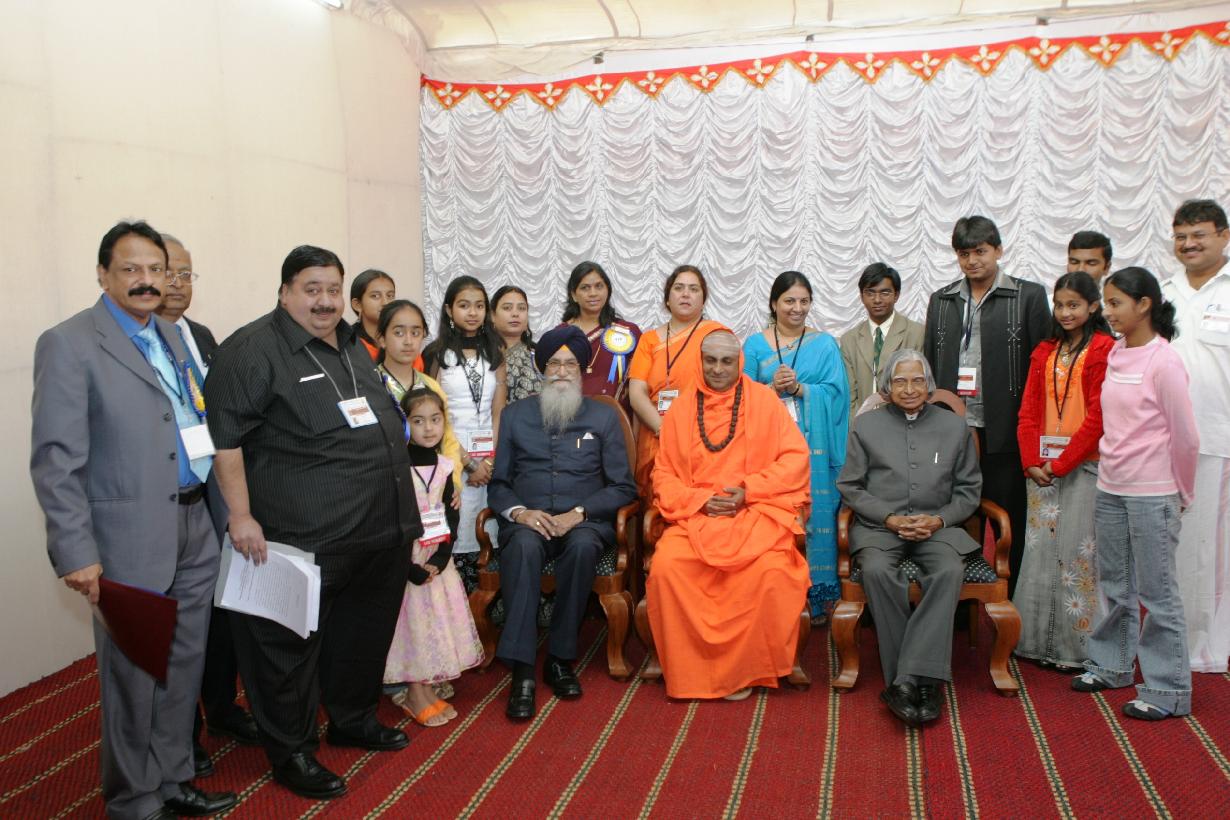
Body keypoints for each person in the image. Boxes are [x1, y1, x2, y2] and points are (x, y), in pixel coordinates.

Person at [30, 221, 237, 818]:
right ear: (103, 274)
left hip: (194, 524)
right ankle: (134, 800)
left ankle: (172, 778)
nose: (147, 281)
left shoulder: (172, 335)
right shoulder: (69, 343)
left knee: (183, 665)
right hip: (125, 538)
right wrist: (76, 551)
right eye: (131, 269)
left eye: (156, 270)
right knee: (133, 674)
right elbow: (55, 460)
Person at [204, 245, 421, 800]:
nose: (325, 301)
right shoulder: (252, 351)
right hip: (303, 536)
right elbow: (225, 441)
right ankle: (292, 752)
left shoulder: (351, 343)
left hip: (379, 531)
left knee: (361, 636)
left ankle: (352, 719)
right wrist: (240, 516)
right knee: (284, 650)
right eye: (311, 289)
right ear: (285, 292)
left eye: (333, 289)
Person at [647, 328, 812, 701]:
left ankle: (748, 670)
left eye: (726, 361)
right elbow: (664, 475)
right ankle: (692, 672)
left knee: (772, 571)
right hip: (696, 516)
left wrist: (749, 490)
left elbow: (795, 459)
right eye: (710, 361)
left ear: (739, 362)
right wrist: (700, 500)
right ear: (700, 362)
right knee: (668, 567)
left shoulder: (765, 401)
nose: (718, 369)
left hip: (754, 511)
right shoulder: (681, 409)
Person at [487, 326, 637, 719]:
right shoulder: (515, 416)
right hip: (529, 519)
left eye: (570, 364)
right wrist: (521, 513)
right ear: (542, 368)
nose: (561, 371)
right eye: (554, 363)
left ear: (583, 369)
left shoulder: (603, 417)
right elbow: (499, 484)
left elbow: (623, 486)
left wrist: (579, 513)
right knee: (522, 546)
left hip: (584, 520)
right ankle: (522, 672)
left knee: (584, 546)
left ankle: (559, 658)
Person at [1071, 267, 1199, 721]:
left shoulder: (1164, 361)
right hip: (1111, 486)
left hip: (1153, 492)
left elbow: (1186, 437)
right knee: (1114, 583)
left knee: (1157, 594)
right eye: (1106, 303)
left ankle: (1168, 690)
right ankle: (1112, 665)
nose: (1107, 312)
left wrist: (1182, 492)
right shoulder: (1117, 353)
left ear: (1144, 305)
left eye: (1115, 303)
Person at [155, 233, 260, 776]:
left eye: (186, 274)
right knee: (174, 629)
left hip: (214, 496)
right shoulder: (135, 344)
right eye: (168, 272)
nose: (177, 284)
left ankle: (220, 708)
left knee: (221, 613)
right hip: (163, 505)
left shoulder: (199, 336)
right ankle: (181, 734)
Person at [836, 349, 983, 727]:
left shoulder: (954, 427)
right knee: (877, 572)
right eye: (900, 381)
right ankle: (921, 680)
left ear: (929, 385)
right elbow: (850, 486)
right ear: (887, 387)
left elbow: (969, 492)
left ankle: (909, 681)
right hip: (880, 527)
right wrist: (889, 518)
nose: (909, 388)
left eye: (918, 380)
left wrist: (938, 520)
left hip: (938, 529)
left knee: (949, 571)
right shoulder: (865, 426)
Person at [923, 216, 1051, 597]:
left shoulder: (1027, 296)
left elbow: (1042, 369)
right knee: (953, 521)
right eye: (964, 254)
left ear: (998, 250)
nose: (972, 261)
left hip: (1005, 431)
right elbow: (930, 365)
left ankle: (1011, 602)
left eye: (980, 251)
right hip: (952, 433)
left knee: (1009, 521)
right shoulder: (942, 300)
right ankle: (957, 606)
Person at [1014, 272, 1115, 670]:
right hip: (1041, 470)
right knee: (1038, 556)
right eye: (1059, 305)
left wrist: (1061, 463)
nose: (1065, 312)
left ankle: (1076, 650)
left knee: (1077, 557)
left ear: (1093, 306)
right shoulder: (1045, 350)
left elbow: (1098, 418)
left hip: (1083, 467)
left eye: (1074, 305)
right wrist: (1031, 461)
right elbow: (1028, 411)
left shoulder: (1104, 349)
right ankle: (1034, 643)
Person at [744, 271, 849, 621]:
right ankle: (775, 597)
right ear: (774, 303)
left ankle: (816, 598)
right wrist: (770, 388)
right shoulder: (754, 346)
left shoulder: (825, 345)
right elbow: (740, 397)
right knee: (774, 520)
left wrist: (802, 389)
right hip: (769, 452)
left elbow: (838, 395)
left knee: (816, 519)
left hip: (815, 451)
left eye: (804, 301)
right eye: (789, 300)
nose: (797, 308)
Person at [384, 388, 484, 726]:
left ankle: (426, 687)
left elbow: (450, 517)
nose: (428, 428)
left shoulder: (444, 466)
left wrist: (440, 560)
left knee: (435, 622)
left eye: (435, 419)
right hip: (406, 561)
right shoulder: (397, 467)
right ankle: (415, 692)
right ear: (404, 424)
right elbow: (390, 520)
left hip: (436, 561)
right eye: (418, 421)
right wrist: (409, 567)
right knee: (411, 626)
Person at [1163, 199, 1230, 674]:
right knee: (1174, 545)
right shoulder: (1164, 292)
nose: (1188, 244)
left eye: (1199, 235)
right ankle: (1174, 637)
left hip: (1216, 439)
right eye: (1181, 236)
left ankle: (1207, 646)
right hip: (1163, 442)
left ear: (1224, 236)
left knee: (1211, 547)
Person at [422, 276, 508, 592]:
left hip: (490, 460)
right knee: (456, 534)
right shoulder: (436, 353)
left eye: (479, 306)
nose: (472, 312)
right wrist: (469, 463)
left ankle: (489, 608)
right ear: (449, 309)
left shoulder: (496, 351)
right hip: (451, 457)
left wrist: (490, 461)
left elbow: (499, 411)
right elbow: (433, 416)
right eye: (464, 305)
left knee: (489, 534)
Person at [627, 265, 724, 496]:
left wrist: (688, 433)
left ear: (703, 300)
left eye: (694, 289)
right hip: (655, 433)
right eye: (679, 288)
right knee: (658, 501)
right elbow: (637, 392)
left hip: (702, 435)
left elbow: (725, 390)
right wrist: (663, 429)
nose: (686, 294)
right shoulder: (649, 340)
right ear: (667, 299)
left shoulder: (716, 336)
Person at [376, 299, 464, 493]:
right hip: (386, 487)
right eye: (399, 333)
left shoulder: (431, 386)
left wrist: (453, 482)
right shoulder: (370, 385)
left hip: (433, 485)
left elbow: (448, 440)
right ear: (382, 339)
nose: (408, 341)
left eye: (415, 333)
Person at [839, 262, 925, 417]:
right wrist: (857, 424)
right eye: (870, 293)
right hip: (863, 421)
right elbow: (849, 394)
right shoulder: (849, 340)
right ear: (862, 296)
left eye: (885, 293)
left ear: (896, 295)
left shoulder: (917, 333)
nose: (877, 299)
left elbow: (922, 387)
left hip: (905, 421)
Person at [559, 261, 642, 413]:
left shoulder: (628, 332)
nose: (593, 293)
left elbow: (640, 385)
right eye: (585, 287)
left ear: (608, 290)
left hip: (615, 419)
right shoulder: (560, 334)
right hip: (570, 418)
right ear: (574, 295)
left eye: (599, 286)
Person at [492, 285, 542, 403]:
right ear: (492, 316)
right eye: (507, 308)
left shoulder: (539, 356)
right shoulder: (481, 355)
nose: (515, 313)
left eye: (521, 308)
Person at [350, 268, 396, 361]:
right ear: (357, 305)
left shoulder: (404, 341)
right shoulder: (348, 343)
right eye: (375, 296)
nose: (385, 302)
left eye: (390, 296)